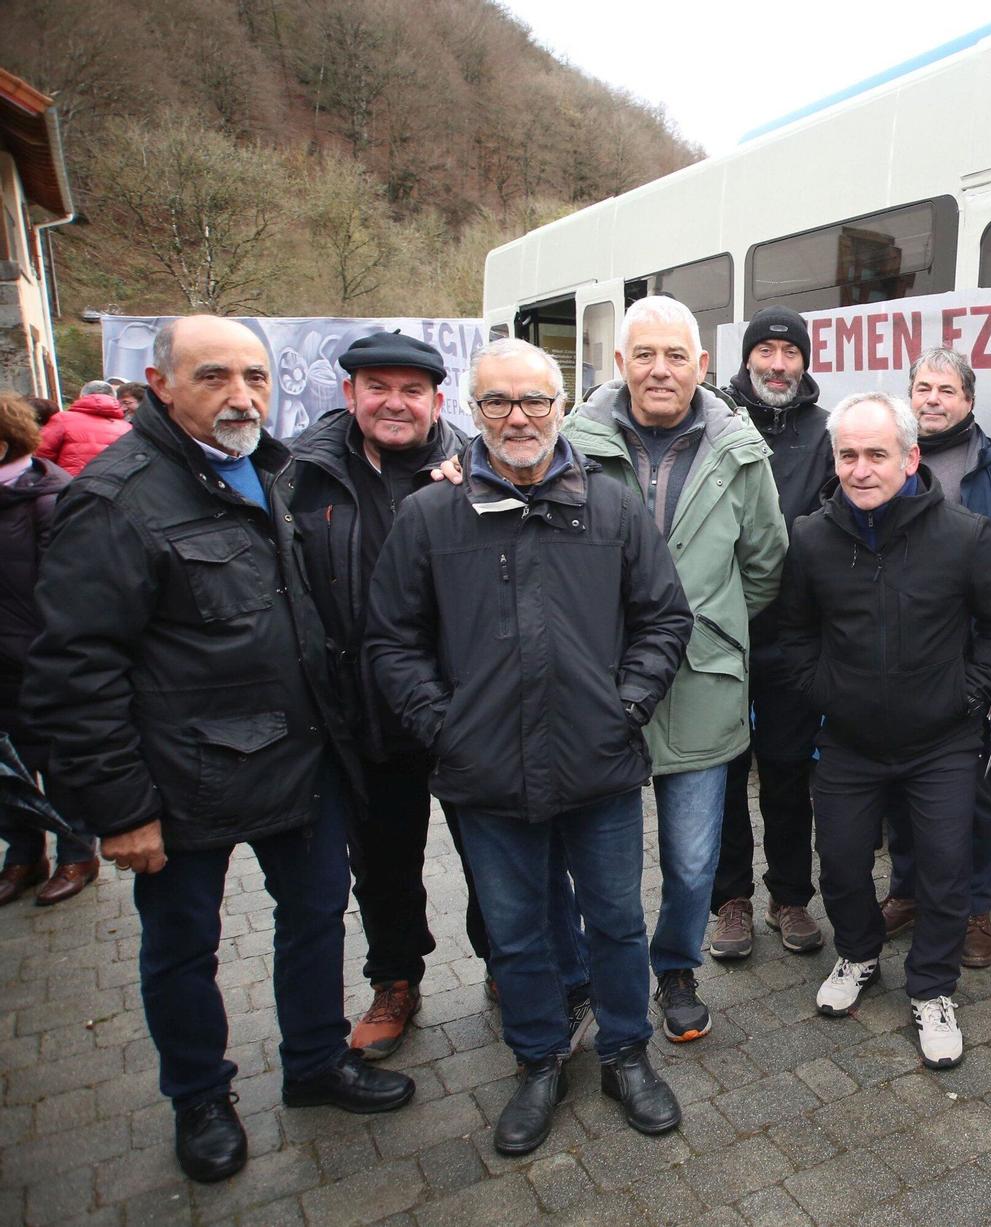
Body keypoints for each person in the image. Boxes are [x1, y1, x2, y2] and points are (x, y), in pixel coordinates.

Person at [25, 317, 415, 1185]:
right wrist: (120, 806)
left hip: (301, 759)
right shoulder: (118, 498)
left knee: (315, 920)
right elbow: (72, 670)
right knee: (182, 948)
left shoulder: (274, 471)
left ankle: (315, 1062)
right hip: (181, 779)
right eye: (213, 377)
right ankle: (200, 1096)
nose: (241, 395)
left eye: (255, 376)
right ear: (160, 384)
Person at [368, 338, 694, 1155]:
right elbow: (391, 640)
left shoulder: (612, 507)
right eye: (497, 403)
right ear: (470, 414)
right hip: (484, 774)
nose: (518, 417)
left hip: (600, 763)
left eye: (535, 401)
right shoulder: (430, 514)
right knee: (516, 931)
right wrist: (444, 725)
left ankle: (626, 1051)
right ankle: (539, 1057)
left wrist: (626, 705)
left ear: (563, 405)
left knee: (617, 921)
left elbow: (664, 616)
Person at [775, 391, 991, 1069]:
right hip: (851, 742)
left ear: (911, 457)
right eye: (848, 454)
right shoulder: (810, 537)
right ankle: (858, 954)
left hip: (941, 743)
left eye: (877, 454)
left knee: (946, 869)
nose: (861, 469)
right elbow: (794, 632)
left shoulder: (965, 535)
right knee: (843, 861)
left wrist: (967, 694)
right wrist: (825, 691)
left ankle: (933, 988)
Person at [568, 297, 787, 1040]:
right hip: (601, 688)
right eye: (644, 354)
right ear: (620, 364)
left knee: (694, 863)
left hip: (702, 685)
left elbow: (765, 563)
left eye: (675, 356)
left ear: (702, 366)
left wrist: (718, 628)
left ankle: (676, 966)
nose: (660, 369)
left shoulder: (740, 451)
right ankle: (611, 978)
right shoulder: (574, 447)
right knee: (608, 867)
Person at [276, 332, 494, 1060]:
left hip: (464, 707)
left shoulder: (477, 468)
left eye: (412, 390)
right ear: (350, 394)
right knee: (383, 861)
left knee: (494, 851)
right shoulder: (302, 475)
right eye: (379, 387)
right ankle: (396, 976)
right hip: (360, 711)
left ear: (438, 400)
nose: (394, 403)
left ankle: (508, 962)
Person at [879, 349, 991, 967]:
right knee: (899, 785)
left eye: (946, 390)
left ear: (968, 402)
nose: (932, 399)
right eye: (922, 387)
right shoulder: (891, 461)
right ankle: (906, 892)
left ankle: (976, 909)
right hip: (898, 662)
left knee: (972, 796)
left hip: (974, 666)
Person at [708, 307, 834, 961]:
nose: (779, 364)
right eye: (768, 351)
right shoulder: (715, 422)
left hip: (791, 634)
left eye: (791, 353)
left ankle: (790, 897)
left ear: (805, 363)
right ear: (748, 357)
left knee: (787, 770)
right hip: (721, 631)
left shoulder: (825, 431)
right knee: (724, 769)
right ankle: (729, 901)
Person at [0, 394, 96, 906]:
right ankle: (21, 854)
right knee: (6, 770)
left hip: (37, 658)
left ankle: (77, 852)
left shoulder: (50, 498)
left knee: (58, 764)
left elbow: (71, 593)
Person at [35, 384, 131, 474]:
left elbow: (42, 452)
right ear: (114, 398)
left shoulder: (62, 419)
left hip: (70, 483)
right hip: (112, 486)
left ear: (82, 396)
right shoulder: (127, 427)